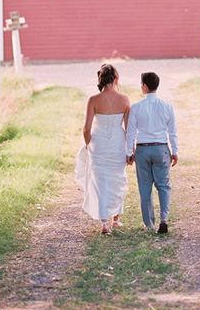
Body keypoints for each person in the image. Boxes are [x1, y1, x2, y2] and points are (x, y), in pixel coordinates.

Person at [75, 63, 131, 234]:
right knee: (117, 178)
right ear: (116, 79)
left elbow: (86, 129)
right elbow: (129, 129)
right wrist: (130, 150)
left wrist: (88, 144)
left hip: (98, 142)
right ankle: (116, 219)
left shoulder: (93, 100)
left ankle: (104, 223)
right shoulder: (125, 99)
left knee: (100, 181)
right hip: (117, 142)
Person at [126, 71, 178, 234]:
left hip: (142, 149)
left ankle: (149, 224)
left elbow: (131, 132)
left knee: (145, 187)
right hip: (161, 147)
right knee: (163, 185)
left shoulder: (136, 107)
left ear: (145, 86)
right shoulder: (167, 105)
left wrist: (129, 152)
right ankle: (164, 219)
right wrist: (174, 151)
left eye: (141, 84)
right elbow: (173, 131)